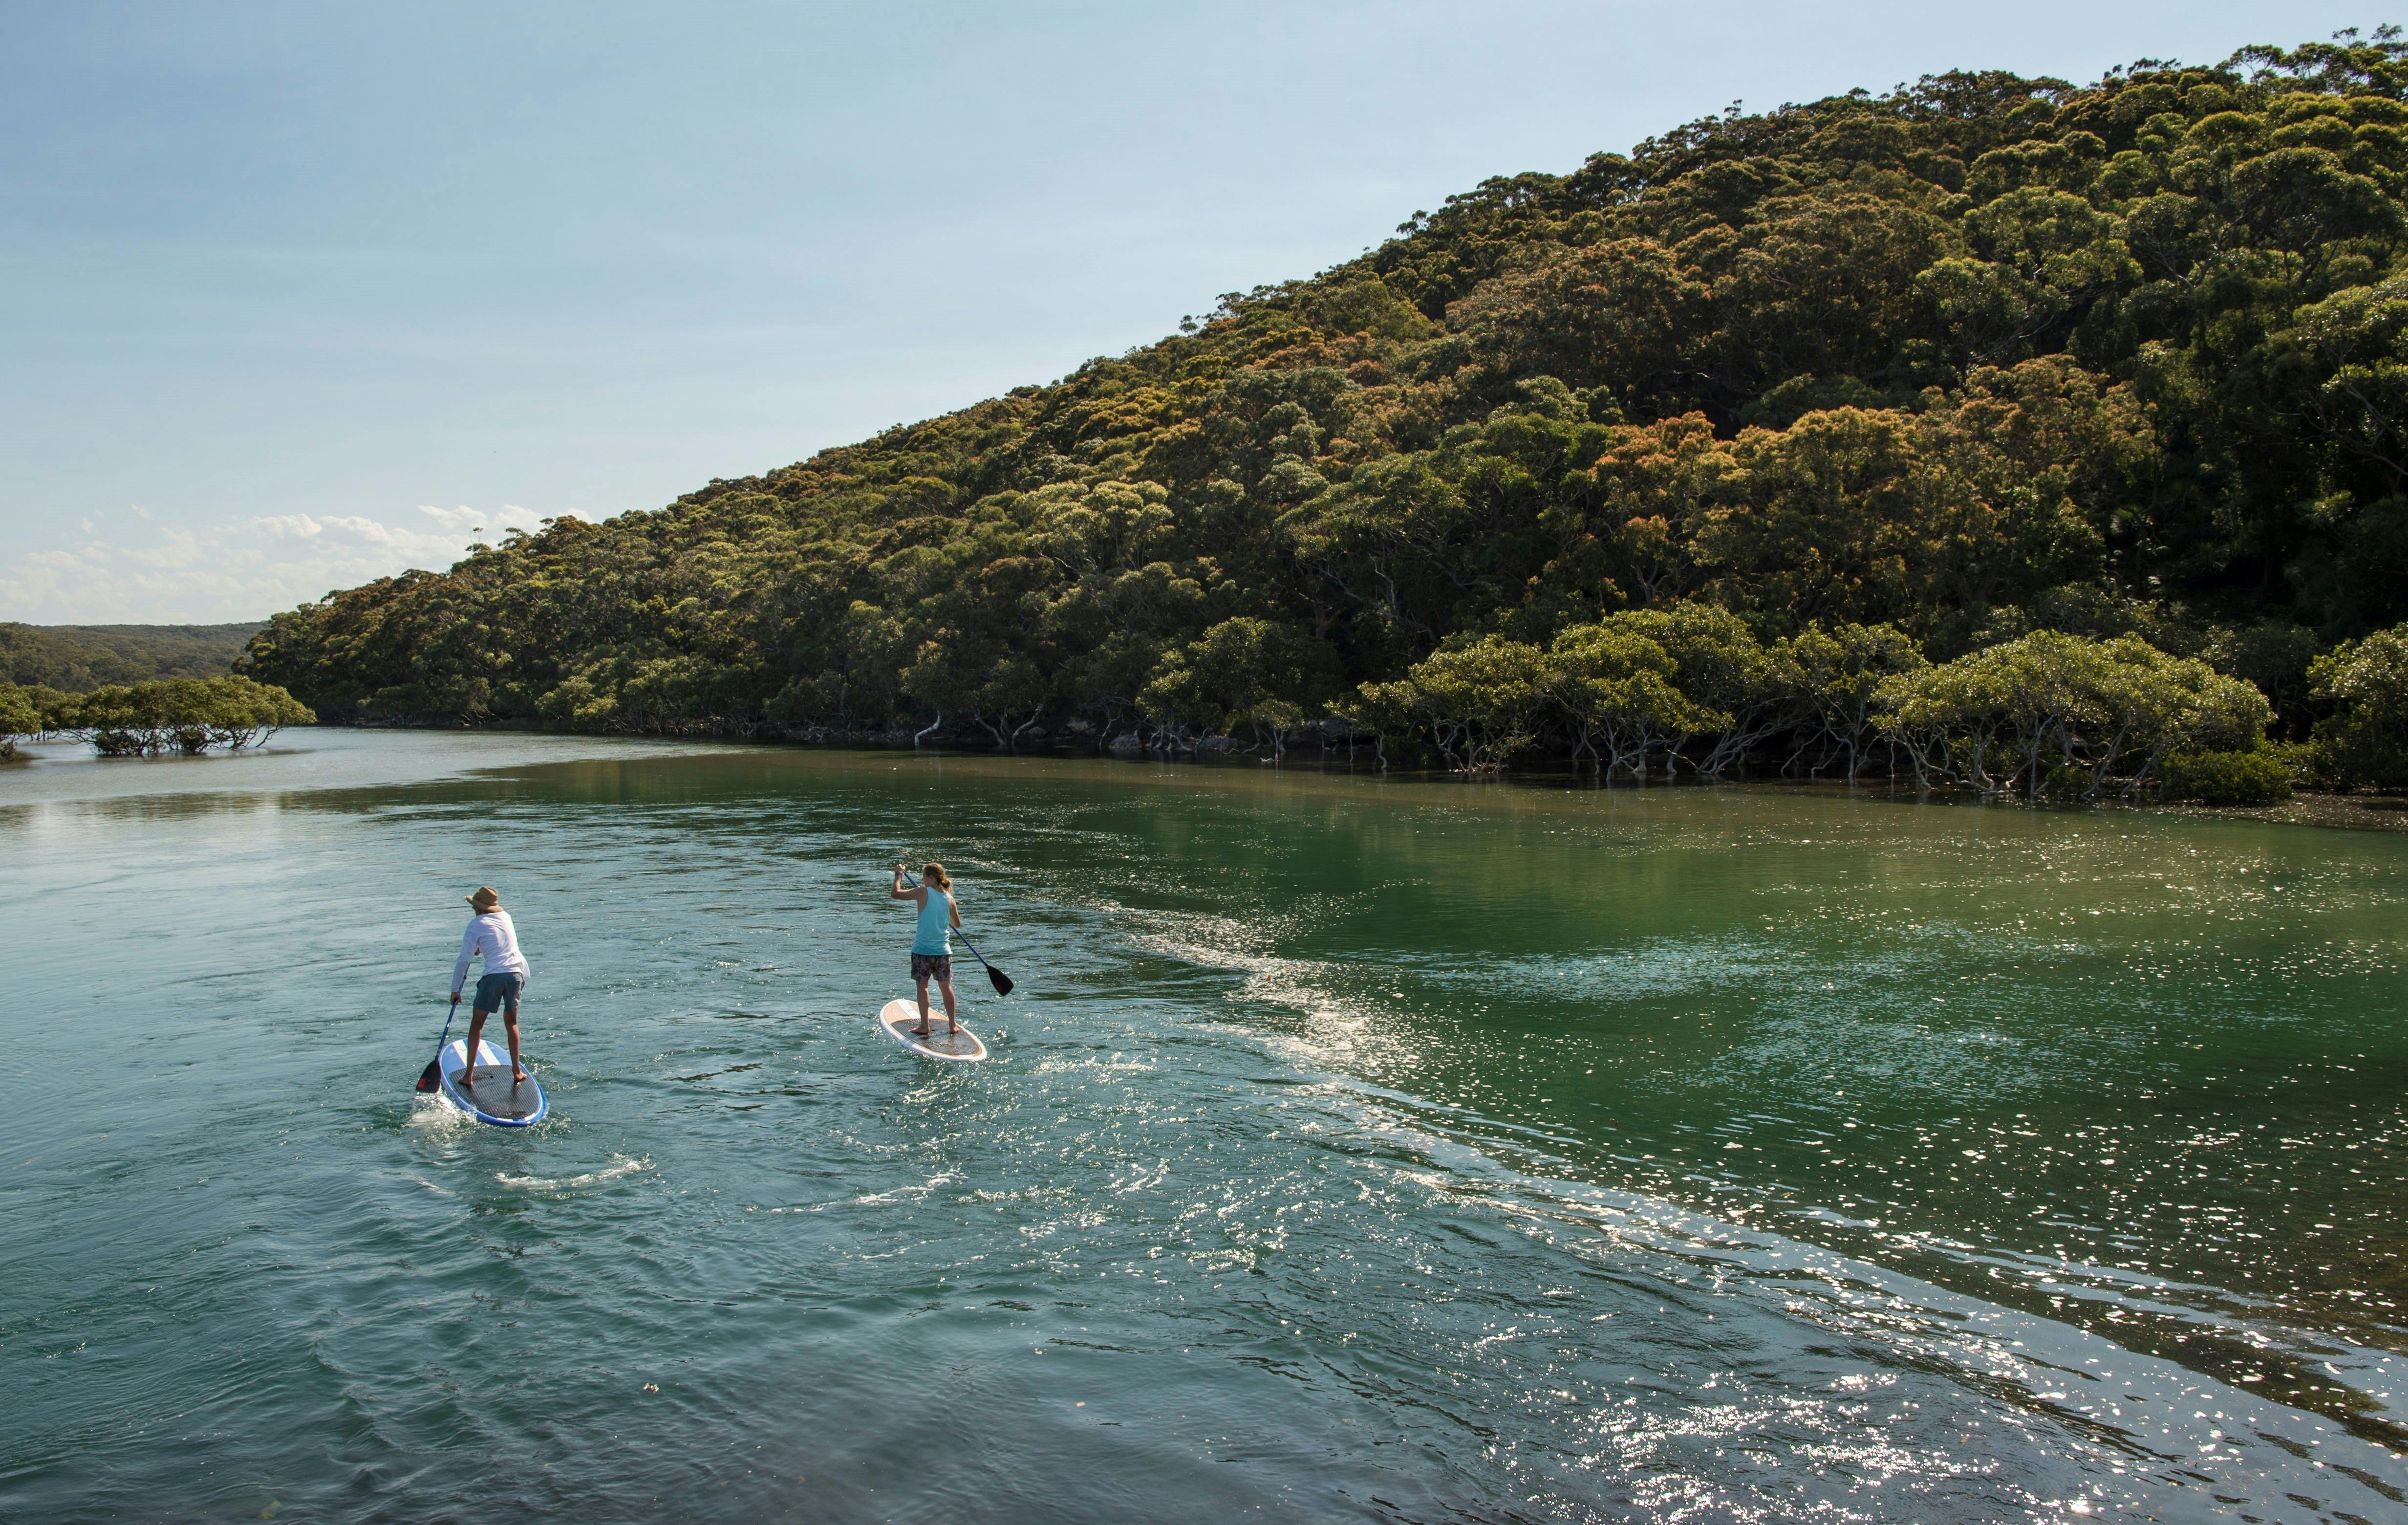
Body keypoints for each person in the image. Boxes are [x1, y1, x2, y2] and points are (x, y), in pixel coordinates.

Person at [449, 886, 532, 1087]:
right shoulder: (506, 917)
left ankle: (468, 1076)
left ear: (479, 909)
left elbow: (463, 960)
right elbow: (499, 941)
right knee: (511, 1023)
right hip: (515, 975)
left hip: (494, 977)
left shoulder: (476, 924)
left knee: (477, 1024)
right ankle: (516, 1072)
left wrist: (455, 989)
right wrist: (480, 948)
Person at [889, 860, 962, 1038]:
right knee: (946, 987)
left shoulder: (922, 892)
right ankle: (953, 1025)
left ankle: (924, 1026)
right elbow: (957, 924)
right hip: (943, 952)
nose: (922, 880)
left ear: (931, 877)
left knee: (923, 988)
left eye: (924, 876)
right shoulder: (950, 899)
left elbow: (896, 894)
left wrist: (898, 875)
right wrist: (943, 918)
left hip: (922, 950)